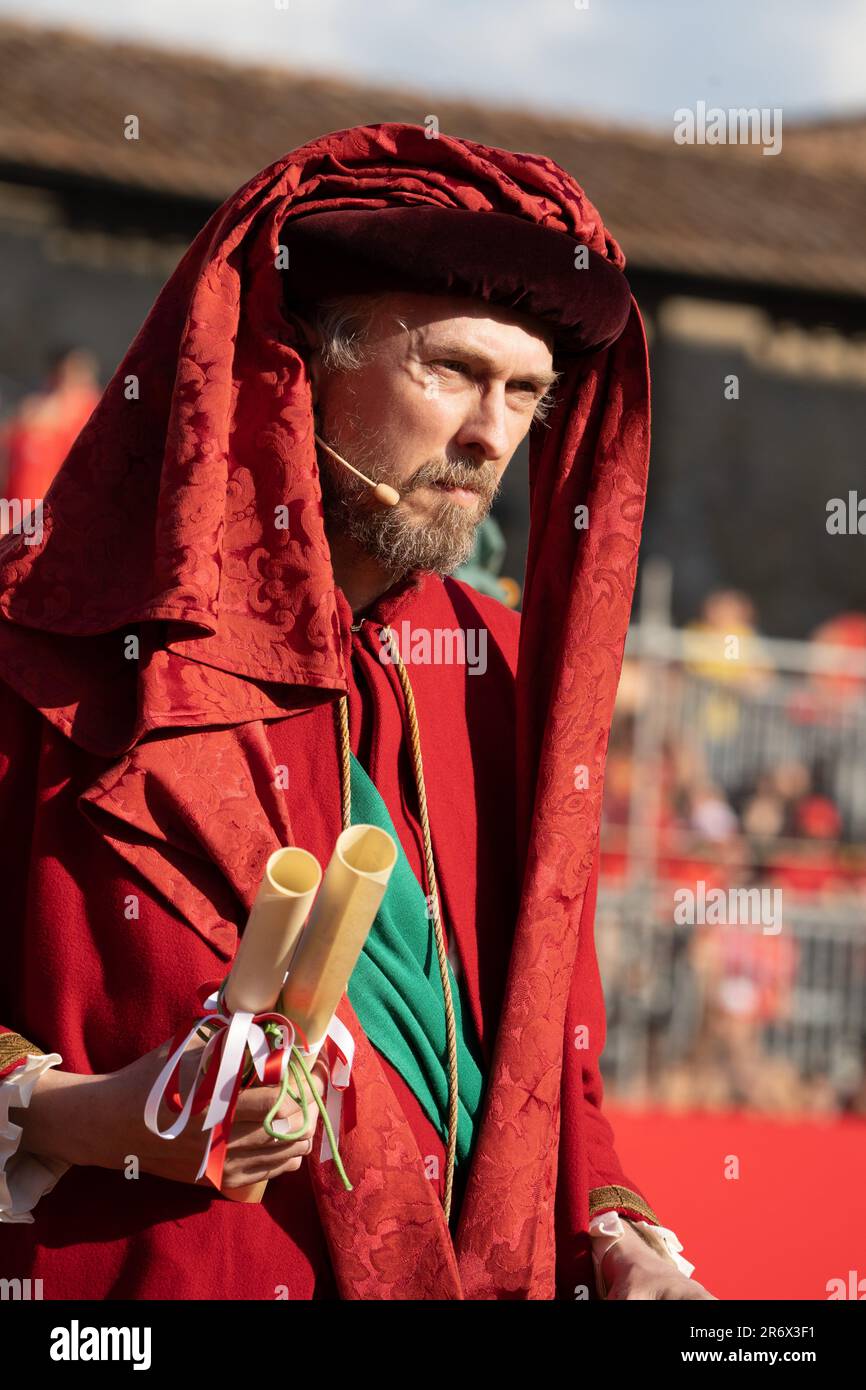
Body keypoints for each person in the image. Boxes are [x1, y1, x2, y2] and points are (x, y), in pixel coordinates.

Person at [0, 122, 714, 1300]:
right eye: (449, 372)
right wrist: (101, 1117)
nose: (490, 435)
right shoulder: (51, 642)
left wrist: (619, 1244)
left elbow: (551, 1077)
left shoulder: (505, 671)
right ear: (297, 366)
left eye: (524, 392)